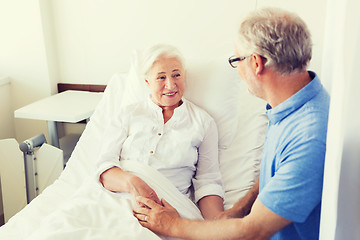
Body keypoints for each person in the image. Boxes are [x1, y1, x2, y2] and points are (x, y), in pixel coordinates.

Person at [133, 7, 330, 240]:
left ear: (256, 63)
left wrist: (171, 225)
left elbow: (253, 231)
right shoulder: (290, 104)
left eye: (237, 60)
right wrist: (239, 208)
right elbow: (279, 171)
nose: (237, 70)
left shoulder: (309, 136)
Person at [97, 44, 224, 220]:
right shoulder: (127, 115)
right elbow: (104, 169)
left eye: (176, 75)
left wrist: (218, 229)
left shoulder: (203, 123)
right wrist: (134, 183)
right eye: (161, 77)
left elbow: (208, 182)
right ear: (147, 82)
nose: (170, 85)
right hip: (116, 202)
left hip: (168, 211)